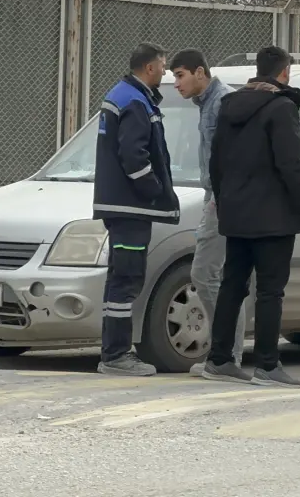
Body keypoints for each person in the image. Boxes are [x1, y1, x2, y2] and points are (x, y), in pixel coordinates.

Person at [203, 47, 300, 388]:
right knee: (270, 291)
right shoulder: (281, 108)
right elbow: (292, 164)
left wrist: (224, 202)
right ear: (284, 73)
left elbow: (217, 160)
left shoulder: (229, 105)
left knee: (232, 285)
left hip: (236, 212)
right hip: (273, 216)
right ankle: (268, 365)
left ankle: (220, 358)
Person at [93, 42, 181, 377]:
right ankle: (116, 356)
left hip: (122, 207)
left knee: (120, 278)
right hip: (130, 208)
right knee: (127, 278)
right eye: (163, 64)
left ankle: (113, 352)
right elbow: (134, 156)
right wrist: (154, 192)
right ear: (149, 67)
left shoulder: (124, 95)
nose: (166, 70)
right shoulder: (135, 101)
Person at [167, 49, 245, 376]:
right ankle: (226, 354)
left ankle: (225, 353)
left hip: (222, 199)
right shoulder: (208, 104)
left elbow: (230, 156)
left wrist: (219, 198)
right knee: (222, 278)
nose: (176, 84)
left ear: (200, 72)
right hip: (217, 197)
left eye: (181, 76)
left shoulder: (221, 103)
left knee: (203, 274)